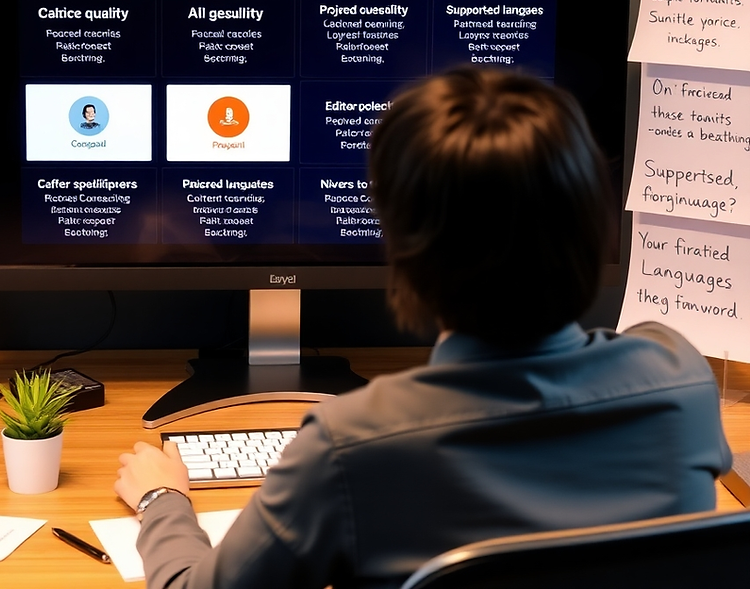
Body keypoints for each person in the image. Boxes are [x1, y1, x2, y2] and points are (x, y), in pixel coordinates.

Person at [115, 68, 731, 589]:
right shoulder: (680, 378)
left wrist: (162, 501)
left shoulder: (349, 445)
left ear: (404, 247)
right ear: (591, 225)